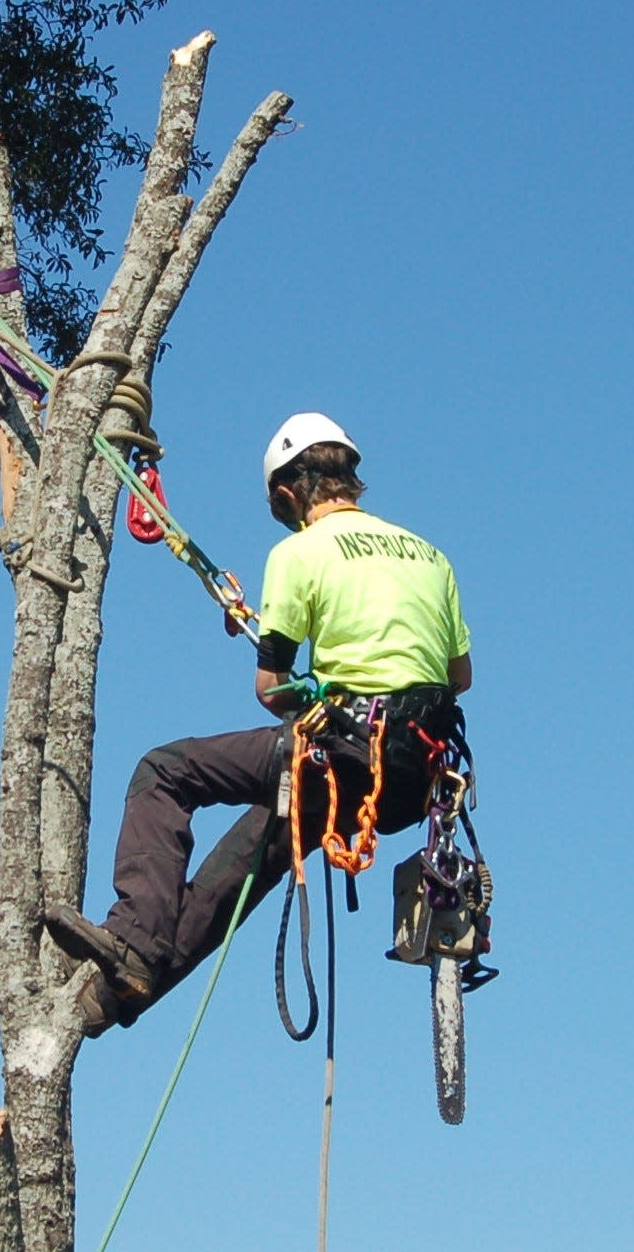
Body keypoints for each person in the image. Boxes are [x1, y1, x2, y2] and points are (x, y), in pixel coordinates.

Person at [46, 412, 473, 1036]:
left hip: (350, 751)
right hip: (412, 779)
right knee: (248, 857)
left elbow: (271, 691)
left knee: (165, 771)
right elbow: (458, 679)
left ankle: (133, 934)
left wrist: (307, 678)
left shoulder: (299, 552)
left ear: (286, 493)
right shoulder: (432, 556)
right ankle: (117, 996)